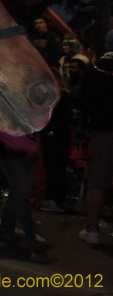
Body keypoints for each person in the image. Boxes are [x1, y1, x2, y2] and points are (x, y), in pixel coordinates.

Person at [78, 30, 113, 246]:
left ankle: (93, 229)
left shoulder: (95, 69)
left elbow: (84, 102)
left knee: (98, 182)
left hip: (102, 132)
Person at [0, 123, 46, 262]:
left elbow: (35, 133)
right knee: (21, 197)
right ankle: (30, 237)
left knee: (17, 193)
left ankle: (6, 230)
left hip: (25, 155)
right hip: (13, 155)